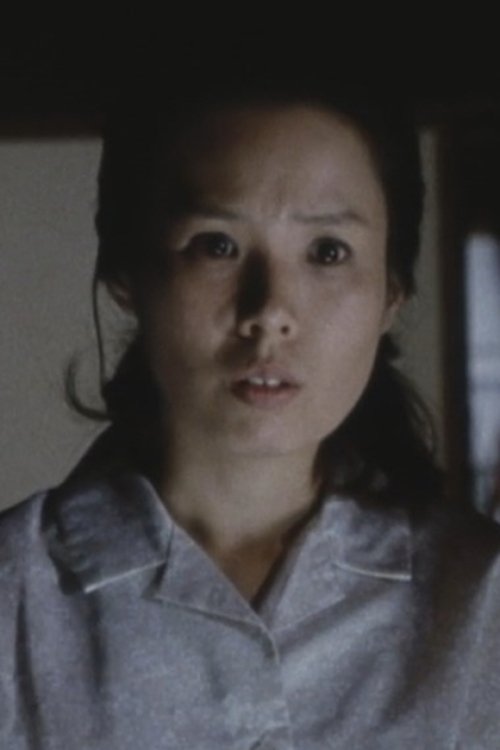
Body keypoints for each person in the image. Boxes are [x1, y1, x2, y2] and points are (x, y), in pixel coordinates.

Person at [1, 71, 500, 749]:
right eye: (218, 245)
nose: (269, 311)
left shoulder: (476, 596)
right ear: (127, 273)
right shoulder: (15, 597)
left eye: (328, 252)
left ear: (391, 292)